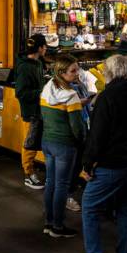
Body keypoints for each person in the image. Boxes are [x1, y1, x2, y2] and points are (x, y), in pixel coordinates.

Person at [76, 55, 127, 253]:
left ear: (110, 72)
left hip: (111, 163)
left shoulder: (107, 97)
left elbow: (97, 135)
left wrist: (87, 164)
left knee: (90, 206)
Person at [40, 55, 86, 238]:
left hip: (47, 142)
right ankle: (58, 226)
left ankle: (48, 221)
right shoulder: (72, 96)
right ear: (61, 72)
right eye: (73, 71)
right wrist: (83, 141)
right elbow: (77, 128)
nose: (76, 74)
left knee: (50, 182)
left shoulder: (47, 88)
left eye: (77, 69)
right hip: (65, 146)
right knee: (62, 185)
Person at [14, 33, 47, 189]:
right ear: (39, 48)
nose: (46, 48)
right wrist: (39, 93)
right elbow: (20, 93)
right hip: (30, 112)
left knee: (35, 142)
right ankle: (28, 174)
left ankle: (31, 170)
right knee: (29, 143)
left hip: (39, 111)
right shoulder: (25, 67)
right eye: (45, 46)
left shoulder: (38, 62)